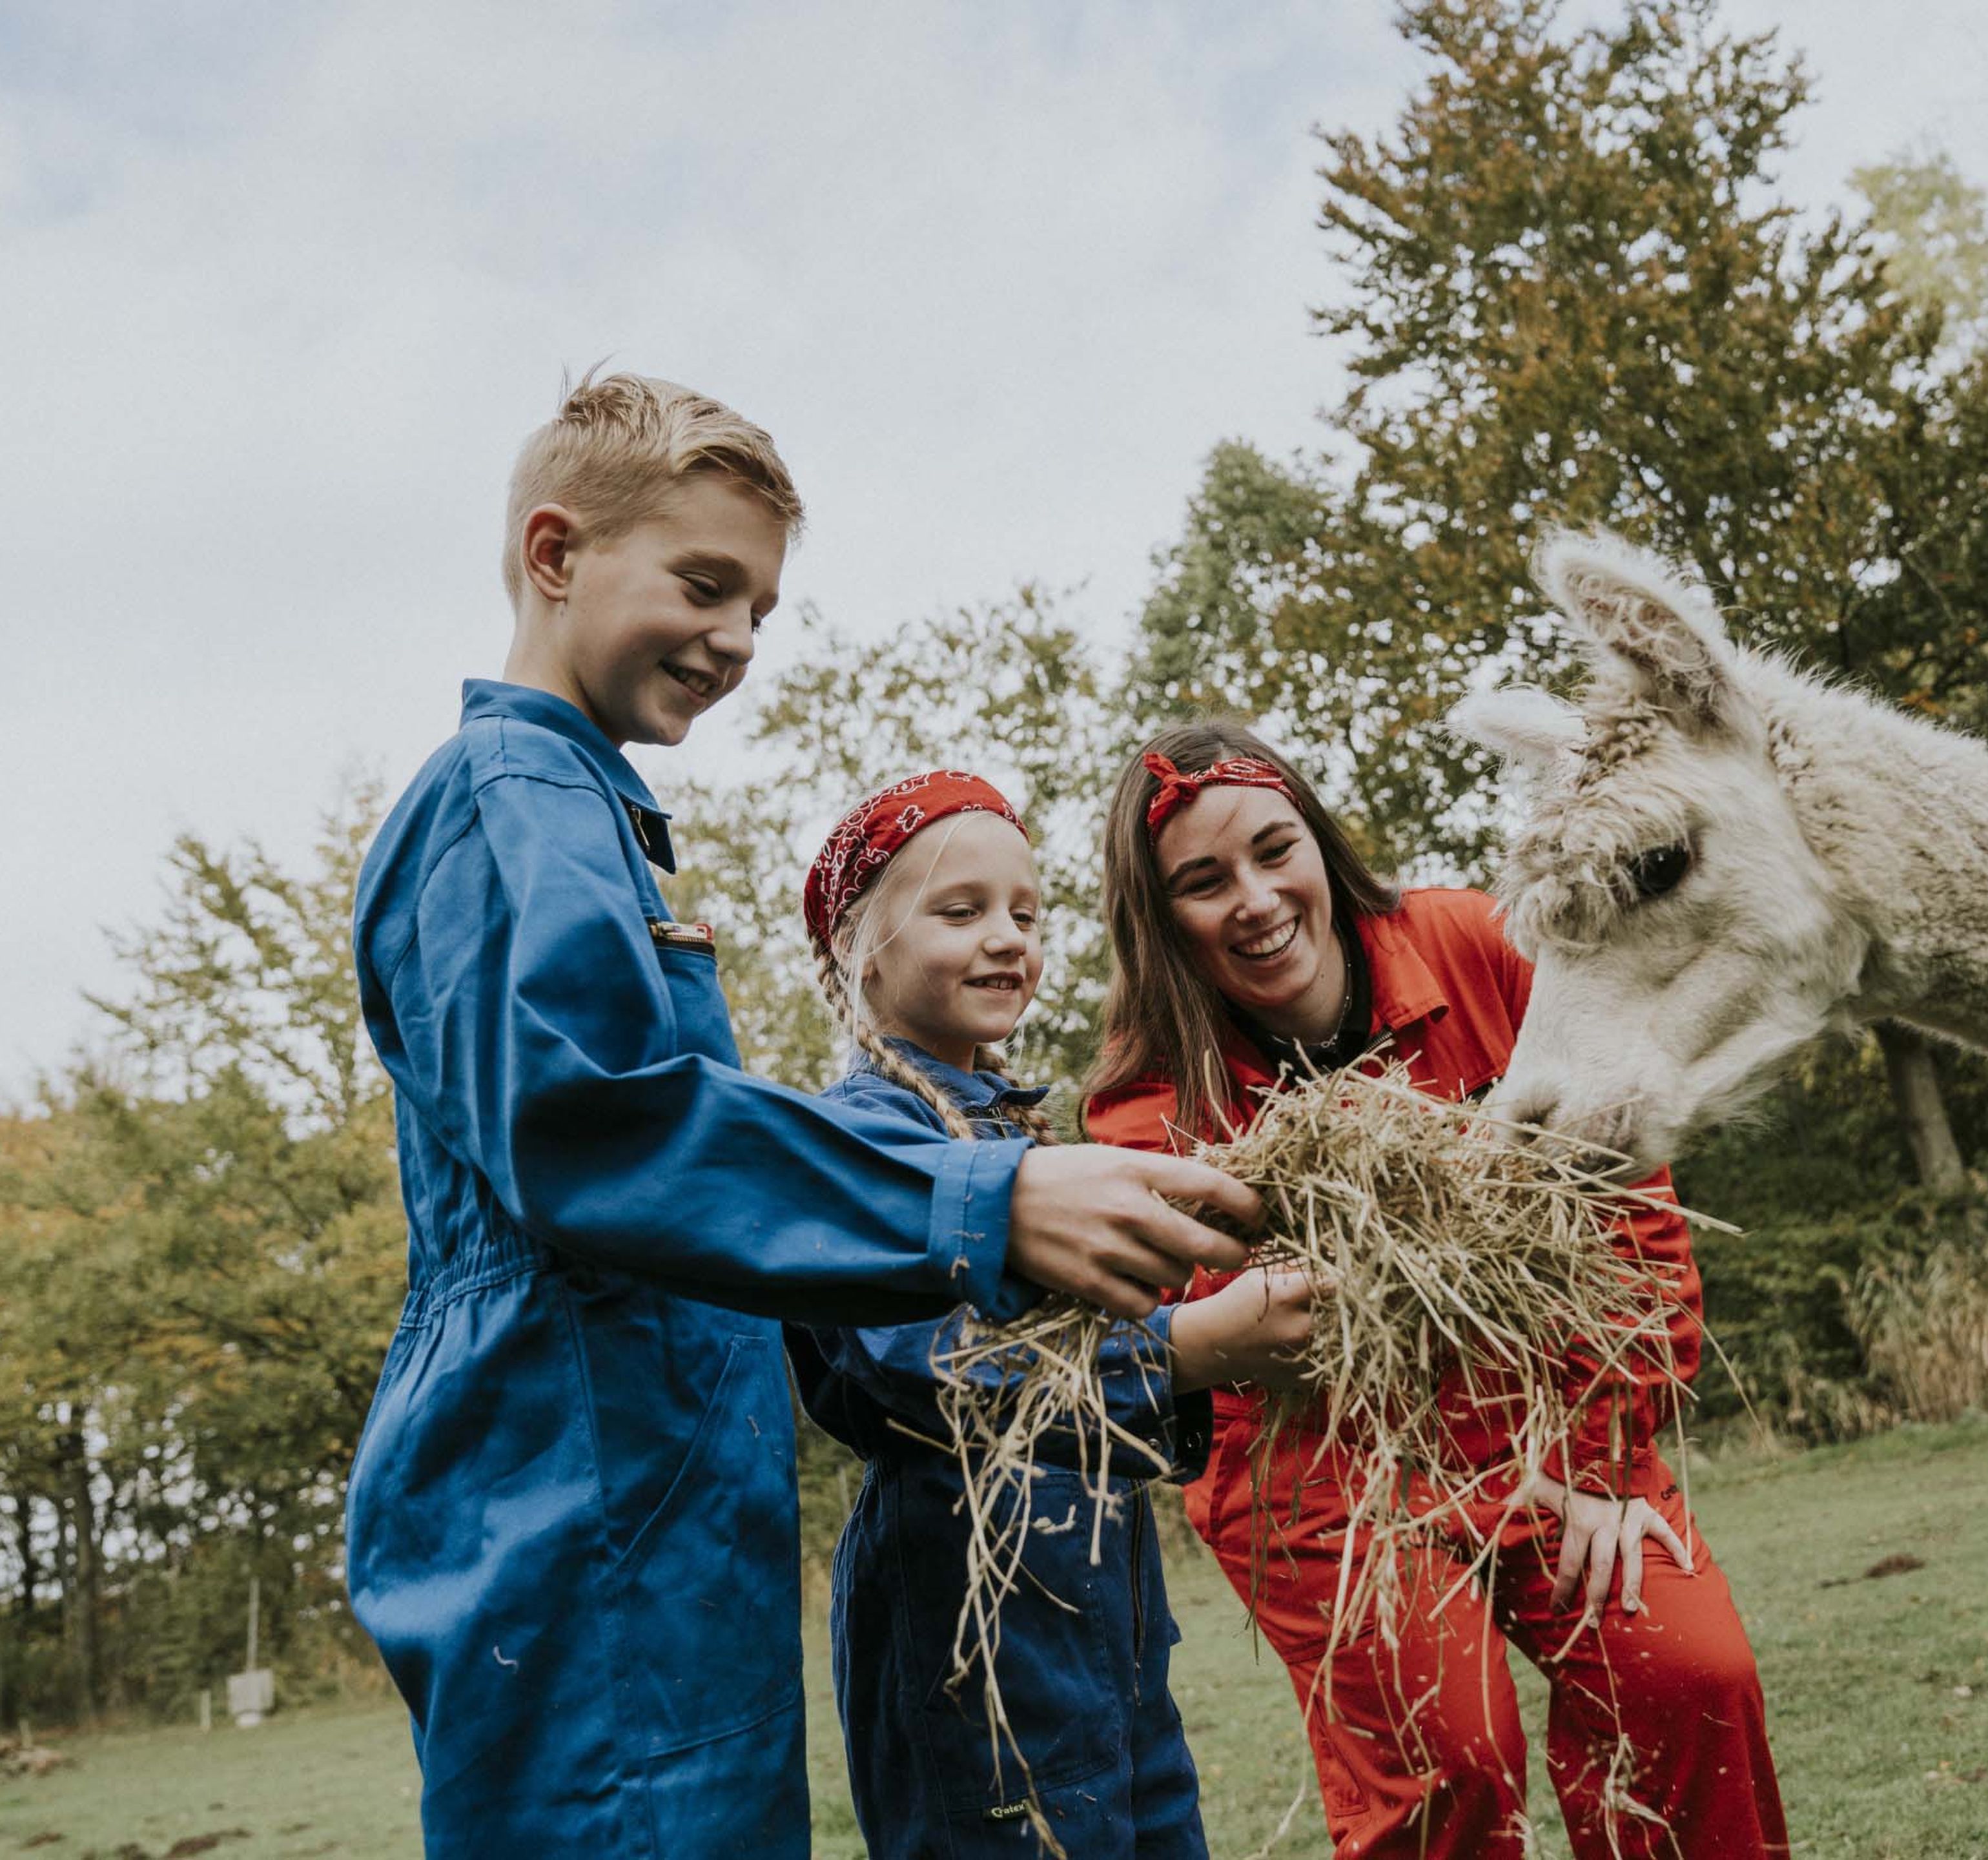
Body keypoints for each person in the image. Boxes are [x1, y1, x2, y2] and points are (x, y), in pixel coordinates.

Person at [345, 374, 1256, 1855]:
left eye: (761, 610)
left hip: (656, 1506)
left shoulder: (582, 814)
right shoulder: (508, 799)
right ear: (555, 552)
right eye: (704, 586)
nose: (733, 641)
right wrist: (993, 1205)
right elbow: (599, 1129)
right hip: (568, 1505)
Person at [1082, 721, 1791, 1860]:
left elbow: (1636, 1215)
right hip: (1328, 1475)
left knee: (1688, 1674)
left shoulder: (1485, 946)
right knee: (1451, 1754)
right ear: (1160, 919)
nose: (1257, 899)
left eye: (1275, 850)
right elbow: (1177, 1335)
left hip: (1552, 1427)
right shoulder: (1150, 1098)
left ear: (1317, 841)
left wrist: (1600, 1459)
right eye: (1204, 884)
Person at [783, 769, 1320, 1857]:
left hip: (1102, 1618)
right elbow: (928, 1368)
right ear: (861, 945)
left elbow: (1091, 1357)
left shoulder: (1015, 1136)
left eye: (1027, 914)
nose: (1008, 940)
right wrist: (1192, 1350)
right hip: (963, 1628)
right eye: (961, 911)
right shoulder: (860, 1145)